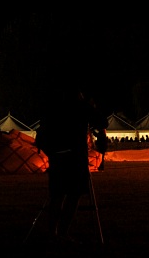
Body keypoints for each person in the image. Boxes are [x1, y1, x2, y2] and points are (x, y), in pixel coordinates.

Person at [35, 85, 108, 240]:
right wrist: (91, 108)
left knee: (57, 195)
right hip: (75, 158)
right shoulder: (81, 107)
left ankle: (52, 232)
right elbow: (102, 121)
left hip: (56, 157)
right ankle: (62, 232)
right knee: (74, 195)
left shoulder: (53, 108)